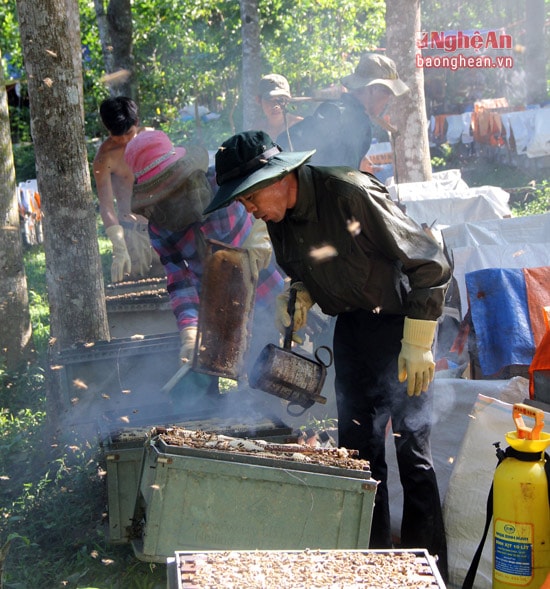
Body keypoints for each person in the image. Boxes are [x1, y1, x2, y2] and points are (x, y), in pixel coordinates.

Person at [204, 130, 451, 580]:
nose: (248, 209)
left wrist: (418, 340)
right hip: (353, 330)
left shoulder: (350, 193)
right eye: (240, 202)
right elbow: (307, 267)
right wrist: (300, 295)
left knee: (412, 451)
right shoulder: (278, 220)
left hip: (403, 325)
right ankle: (374, 567)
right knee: (359, 455)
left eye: (249, 197)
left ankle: (427, 571)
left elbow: (430, 261)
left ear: (280, 176)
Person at [124, 130, 284, 409]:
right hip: (213, 307)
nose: (173, 195)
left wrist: (263, 235)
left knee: (265, 383)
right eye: (164, 191)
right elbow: (179, 280)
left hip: (263, 289)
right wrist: (189, 330)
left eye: (175, 184)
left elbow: (269, 204)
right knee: (202, 400)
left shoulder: (223, 181)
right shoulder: (160, 227)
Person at [277, 53, 409, 173]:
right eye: (387, 92)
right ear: (372, 89)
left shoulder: (336, 110)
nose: (388, 99)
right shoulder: (356, 121)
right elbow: (345, 177)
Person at [93, 96, 162, 283]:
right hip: (132, 235)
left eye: (128, 133)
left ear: (137, 122)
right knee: (135, 294)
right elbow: (106, 206)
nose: (124, 140)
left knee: (175, 288)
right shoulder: (104, 158)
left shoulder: (152, 138)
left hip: (163, 228)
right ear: (107, 129)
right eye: (117, 136)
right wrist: (118, 245)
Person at [252, 74, 303, 146]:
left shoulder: (302, 126)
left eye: (281, 100)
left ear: (288, 100)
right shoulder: (257, 130)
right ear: (258, 100)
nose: (276, 105)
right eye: (270, 100)